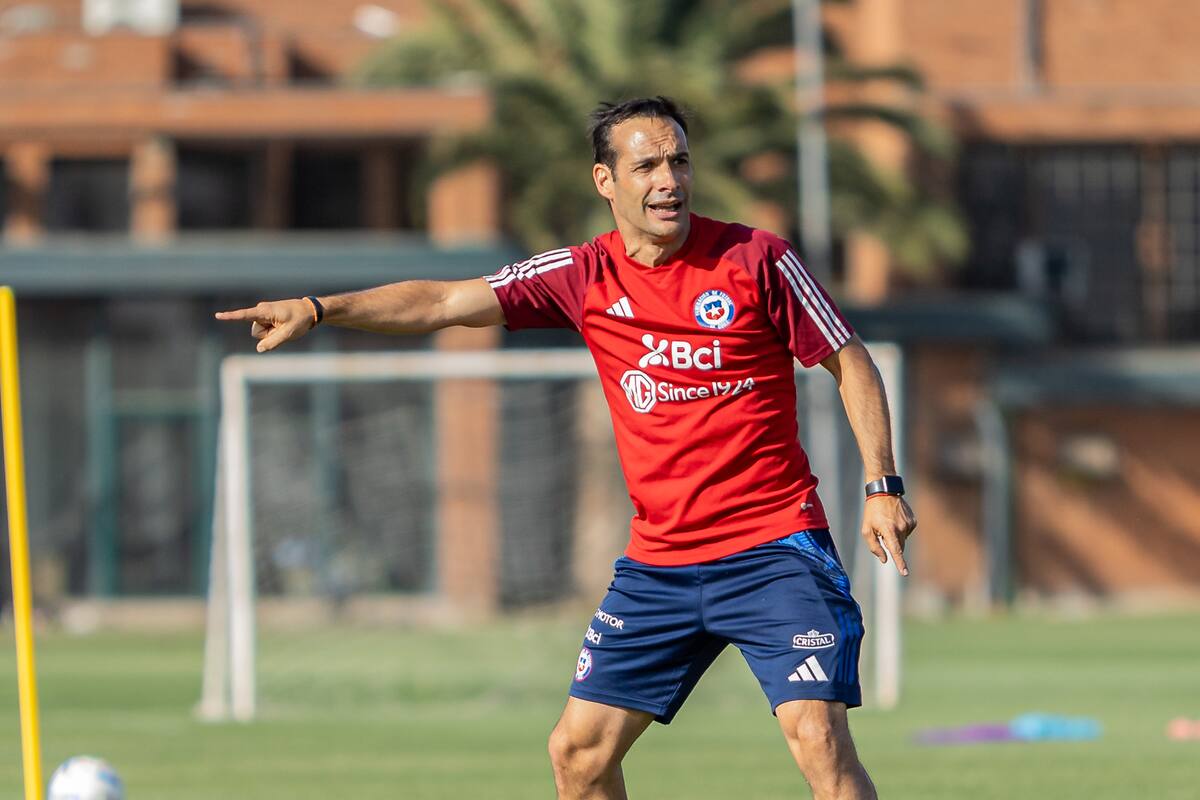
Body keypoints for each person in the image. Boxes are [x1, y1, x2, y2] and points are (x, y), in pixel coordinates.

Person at [216, 96, 916, 800]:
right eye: (645, 165)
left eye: (678, 160)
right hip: (660, 564)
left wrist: (882, 487)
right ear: (605, 181)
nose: (667, 179)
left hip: (774, 550)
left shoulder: (757, 259)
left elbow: (850, 360)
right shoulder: (583, 274)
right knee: (577, 756)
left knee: (819, 741)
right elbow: (441, 303)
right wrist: (317, 309)